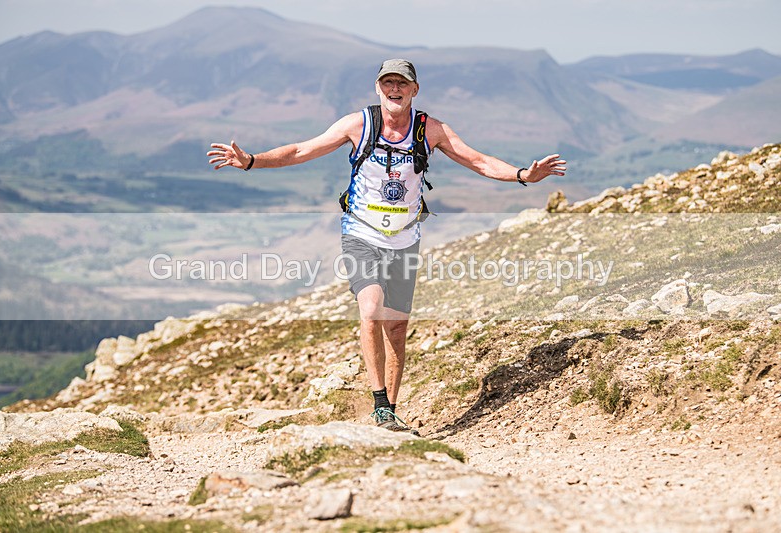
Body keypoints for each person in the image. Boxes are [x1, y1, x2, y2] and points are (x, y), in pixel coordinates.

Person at [207, 59, 566, 434]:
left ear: (414, 89)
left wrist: (523, 175)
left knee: (396, 328)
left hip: (405, 239)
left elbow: (477, 161)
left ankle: (390, 409)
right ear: (378, 88)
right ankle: (378, 402)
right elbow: (301, 151)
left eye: (402, 83)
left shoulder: (432, 130)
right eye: (388, 83)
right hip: (361, 233)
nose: (394, 89)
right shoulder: (358, 124)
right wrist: (251, 161)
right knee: (371, 308)